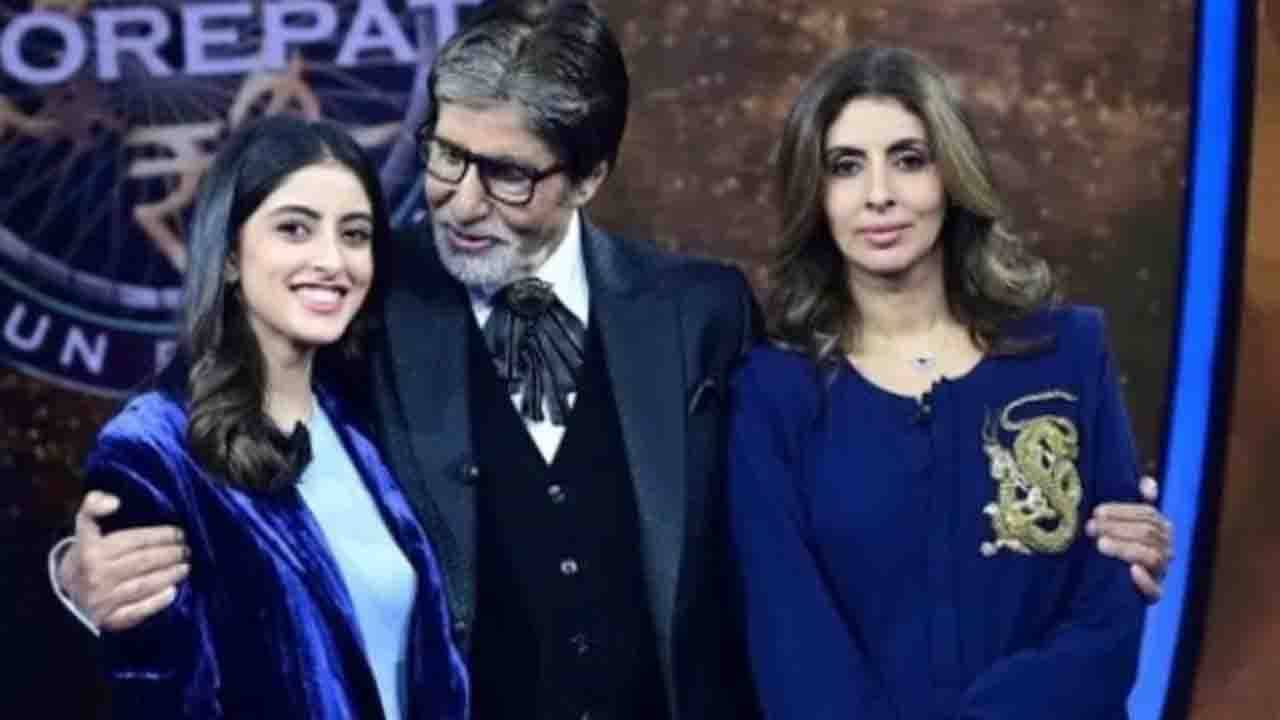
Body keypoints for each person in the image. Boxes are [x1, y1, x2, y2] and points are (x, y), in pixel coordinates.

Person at [52, 3, 1173, 718]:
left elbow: (852, 480)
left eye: (508, 174)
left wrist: (1075, 518)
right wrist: (81, 569)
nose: (459, 200)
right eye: (444, 154)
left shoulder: (700, 312)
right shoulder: (369, 294)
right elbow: (208, 407)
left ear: (588, 178)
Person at [728, 45, 1151, 719]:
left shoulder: (1069, 355)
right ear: (816, 194)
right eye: (845, 166)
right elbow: (792, 645)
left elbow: (1111, 610)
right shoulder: (773, 394)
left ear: (952, 175)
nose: (879, 195)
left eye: (908, 159)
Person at [79, 115, 468, 719]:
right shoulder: (151, 446)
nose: (332, 261)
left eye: (355, 234)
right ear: (230, 256)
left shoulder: (362, 428)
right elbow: (158, 695)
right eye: (295, 229)